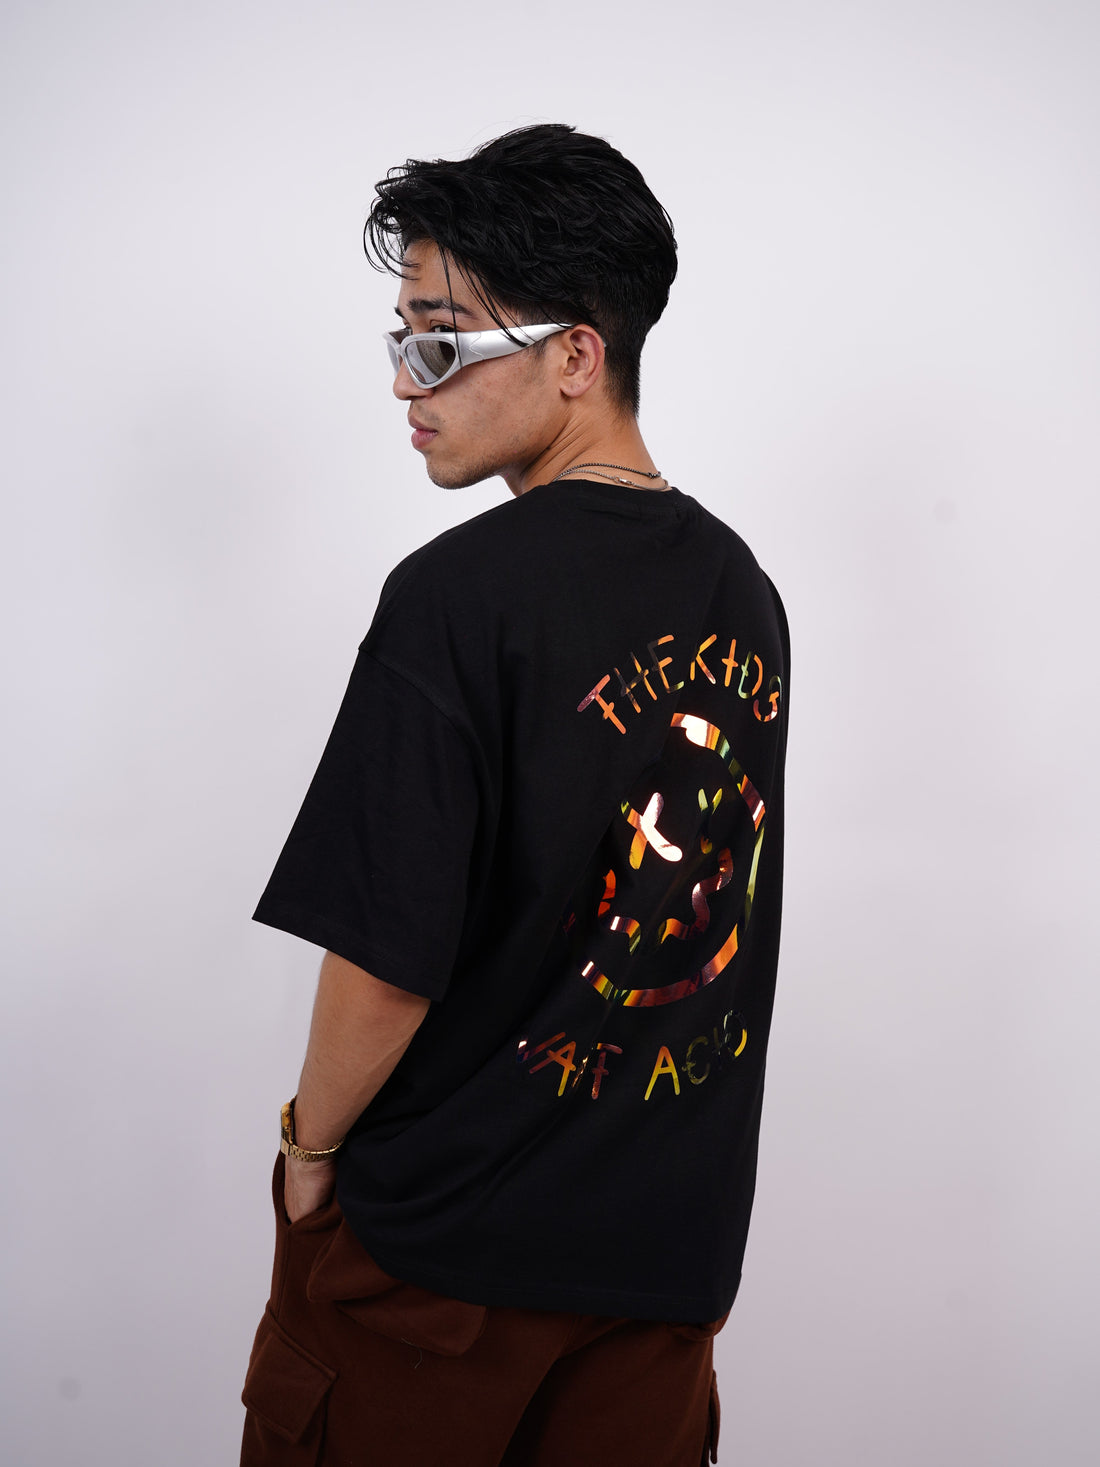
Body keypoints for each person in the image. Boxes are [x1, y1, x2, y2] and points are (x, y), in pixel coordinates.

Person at [240, 123, 790, 1467]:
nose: (405, 381)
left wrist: (309, 1153)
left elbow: (386, 959)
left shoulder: (458, 597)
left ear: (576, 356)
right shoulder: (744, 593)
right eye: (401, 339)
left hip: (438, 1268)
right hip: (662, 1266)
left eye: (441, 341)